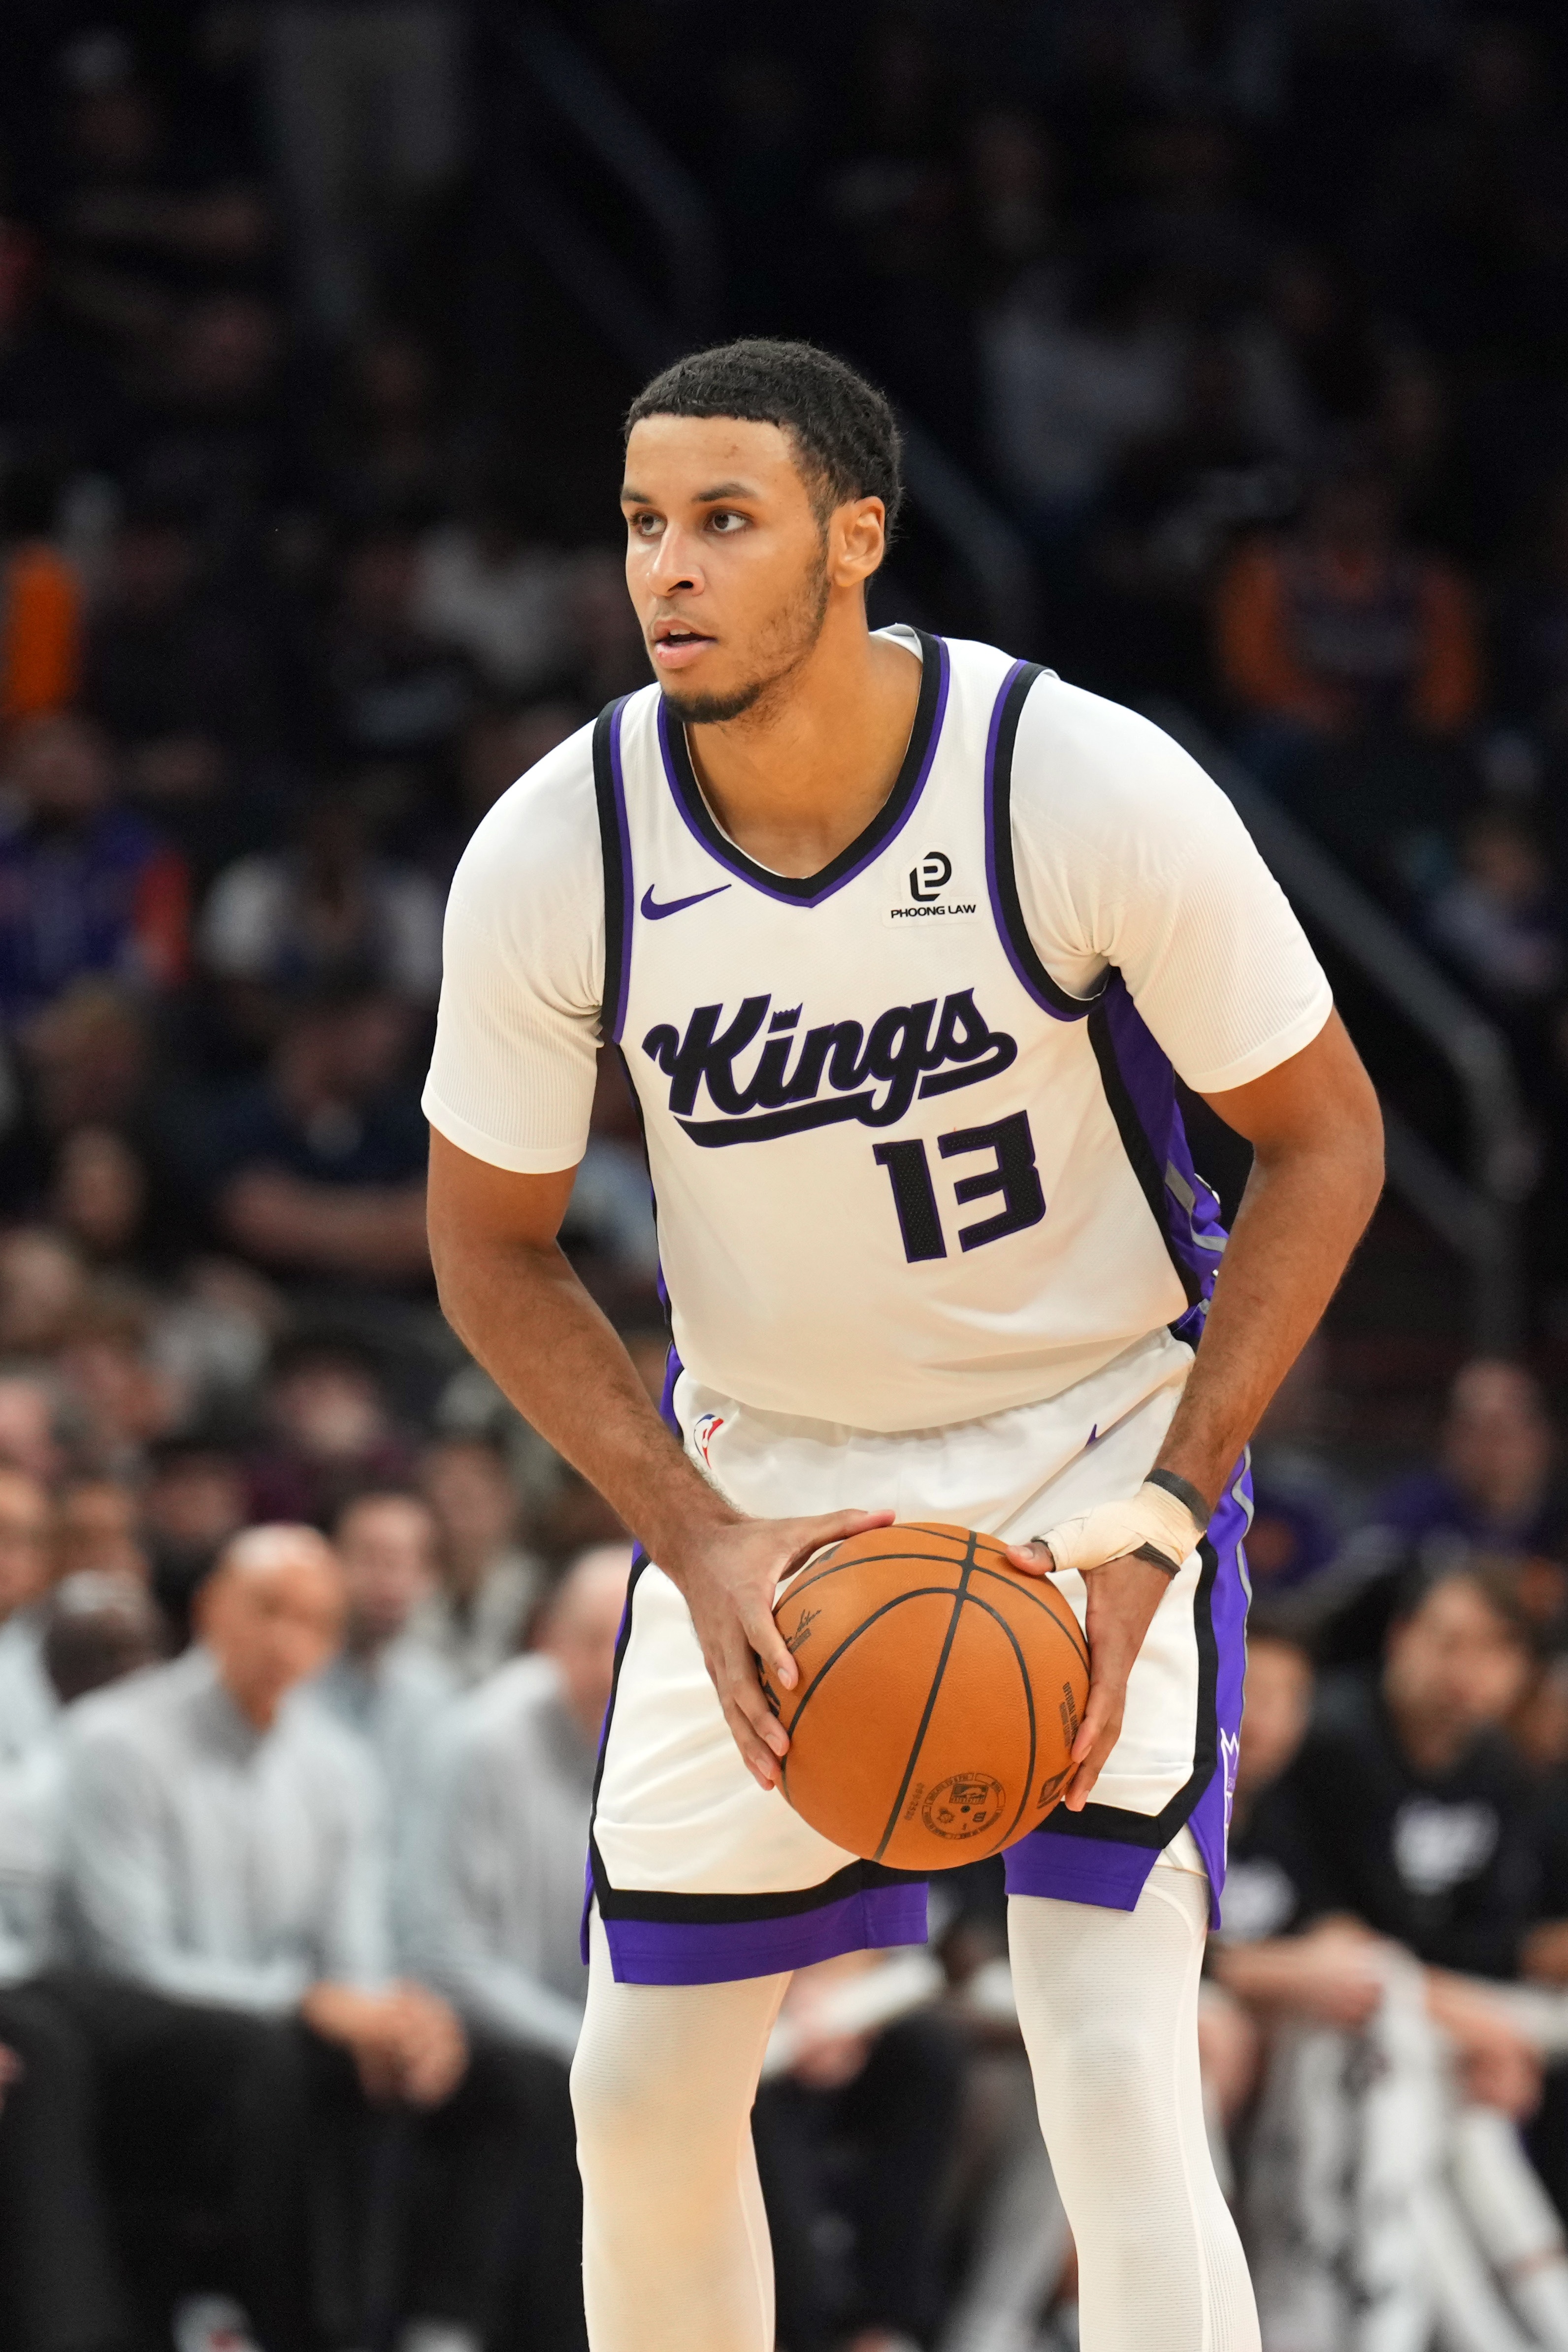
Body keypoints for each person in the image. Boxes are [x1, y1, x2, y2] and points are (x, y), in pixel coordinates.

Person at [422, 337, 1385, 2352]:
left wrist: (1165, 1512)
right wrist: (690, 1532)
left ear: (853, 540)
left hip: (1090, 1444)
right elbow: (489, 1249)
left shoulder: (1075, 781)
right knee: (641, 2094)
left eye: (723, 521)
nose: (667, 570)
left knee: (1111, 2060)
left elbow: (1325, 1140)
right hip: (767, 1477)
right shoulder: (559, 844)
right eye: (641, 526)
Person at [53, 1524, 472, 2352]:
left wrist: (394, 2020)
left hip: (270, 2034)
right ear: (211, 1608)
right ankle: (264, 2319)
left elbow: (353, 1959)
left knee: (413, 2066)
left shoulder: (340, 1767)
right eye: (267, 1609)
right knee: (266, 2054)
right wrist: (307, 2002)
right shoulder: (115, 1740)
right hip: (128, 2033)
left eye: (312, 1622)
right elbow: (128, 1960)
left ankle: (403, 2329)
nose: (286, 1639)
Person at [407, 1543, 632, 2352]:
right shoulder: (481, 1743)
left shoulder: (661, 1738)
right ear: (549, 1639)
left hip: (588, 2025)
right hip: (467, 2021)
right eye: (594, 1642)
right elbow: (448, 1958)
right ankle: (449, 2323)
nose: (612, 1666)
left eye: (630, 1644)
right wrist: (592, 2047)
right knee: (544, 2086)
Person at [305, 1488, 457, 1807]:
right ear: (329, 1560)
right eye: (369, 1558)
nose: (386, 1581)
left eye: (401, 1563)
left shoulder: (436, 1695)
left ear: (430, 1578)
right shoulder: (288, 1682)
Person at [412, 1434, 542, 1685]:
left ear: (508, 1501)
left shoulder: (541, 1592)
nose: (455, 1517)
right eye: (445, 1501)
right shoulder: (405, 1585)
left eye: (468, 1499)